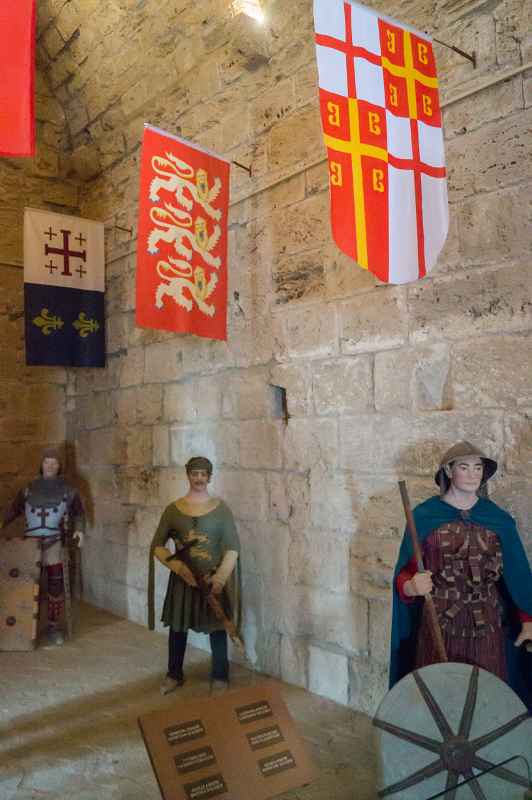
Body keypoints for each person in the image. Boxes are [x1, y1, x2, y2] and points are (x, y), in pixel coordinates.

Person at [390, 441, 532, 707]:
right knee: (440, 696)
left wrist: (528, 617)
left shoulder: (496, 517)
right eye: (464, 467)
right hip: (440, 622)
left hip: (487, 624)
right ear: (448, 471)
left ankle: (488, 748)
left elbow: (518, 573)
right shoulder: (424, 516)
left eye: (477, 468)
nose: (472, 474)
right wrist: (410, 587)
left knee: (487, 696)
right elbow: (405, 573)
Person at [148, 456, 241, 695]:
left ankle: (220, 675)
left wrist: (220, 578)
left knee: (217, 626)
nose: (199, 478)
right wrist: (178, 568)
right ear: (187, 475)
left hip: (211, 580)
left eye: (203, 474)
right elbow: (158, 545)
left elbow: (232, 548)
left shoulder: (222, 511)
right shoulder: (173, 510)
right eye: (194, 473)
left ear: (209, 477)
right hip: (183, 580)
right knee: (178, 628)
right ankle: (173, 674)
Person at [2, 447, 85, 646]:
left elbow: (78, 512)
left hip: (54, 544)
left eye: (54, 463)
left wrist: (79, 530)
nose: (50, 466)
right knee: (27, 585)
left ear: (59, 467)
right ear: (41, 465)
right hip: (29, 546)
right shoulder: (28, 489)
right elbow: (13, 510)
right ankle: (23, 624)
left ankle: (53, 627)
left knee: (55, 588)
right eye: (47, 462)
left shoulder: (68, 490)